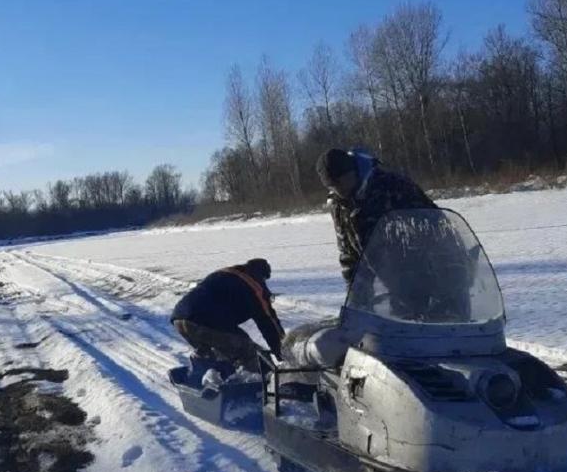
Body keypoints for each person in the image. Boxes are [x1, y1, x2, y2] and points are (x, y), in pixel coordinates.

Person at [315, 148, 437, 286]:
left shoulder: (392, 186)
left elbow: (435, 223)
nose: (339, 189)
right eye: (333, 186)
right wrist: (356, 291)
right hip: (388, 283)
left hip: (424, 275)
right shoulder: (338, 205)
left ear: (352, 171)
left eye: (342, 181)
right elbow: (348, 253)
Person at [171, 258, 285, 371]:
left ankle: (205, 375)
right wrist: (283, 351)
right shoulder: (253, 286)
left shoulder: (228, 273)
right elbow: (268, 321)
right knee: (248, 349)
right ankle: (259, 379)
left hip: (180, 320)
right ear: (261, 275)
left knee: (218, 355)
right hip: (203, 322)